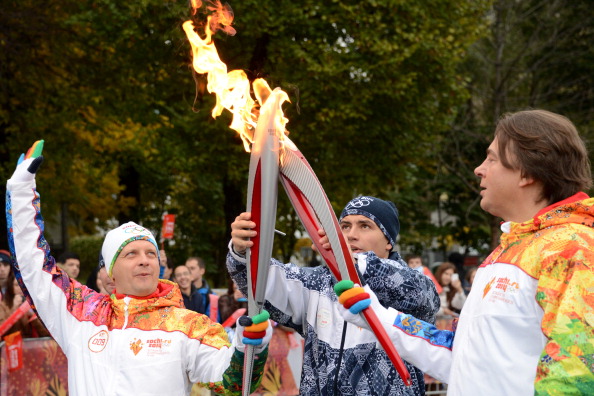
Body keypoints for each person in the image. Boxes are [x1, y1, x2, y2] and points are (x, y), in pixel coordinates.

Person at [335, 110, 594, 395]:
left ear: (527, 172)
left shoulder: (573, 249)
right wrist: (376, 315)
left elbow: (578, 374)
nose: (479, 169)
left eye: (492, 158)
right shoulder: (504, 254)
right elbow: (460, 356)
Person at [6, 141, 272, 396]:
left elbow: (234, 383)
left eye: (150, 254)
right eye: (130, 254)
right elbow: (34, 268)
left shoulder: (187, 325)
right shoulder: (81, 314)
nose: (144, 260)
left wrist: (251, 347)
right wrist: (20, 191)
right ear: (110, 270)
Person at [228, 195, 440, 395]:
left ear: (388, 241)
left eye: (365, 226)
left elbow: (421, 294)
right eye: (345, 226)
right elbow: (261, 281)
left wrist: (353, 262)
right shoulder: (316, 284)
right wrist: (243, 249)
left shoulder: (413, 286)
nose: (351, 234)